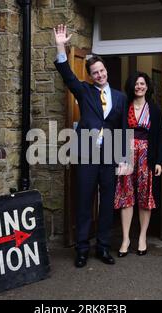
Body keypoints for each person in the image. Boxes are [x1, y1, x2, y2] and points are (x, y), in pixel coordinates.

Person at [53, 24, 130, 268]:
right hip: (86, 154)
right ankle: (83, 249)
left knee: (107, 203)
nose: (100, 75)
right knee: (84, 202)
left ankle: (104, 247)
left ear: (106, 70)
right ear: (90, 75)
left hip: (109, 157)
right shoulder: (84, 91)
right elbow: (66, 74)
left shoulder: (120, 97)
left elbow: (123, 129)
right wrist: (60, 45)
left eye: (102, 70)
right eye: (95, 72)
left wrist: (124, 158)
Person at [114, 71, 162, 257]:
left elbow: (160, 136)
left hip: (146, 157)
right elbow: (117, 132)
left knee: (145, 198)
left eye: (142, 83)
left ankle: (142, 237)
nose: (139, 86)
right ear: (131, 86)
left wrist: (159, 160)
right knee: (126, 196)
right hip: (126, 155)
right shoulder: (124, 106)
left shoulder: (155, 109)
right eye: (136, 84)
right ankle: (125, 238)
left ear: (147, 86)